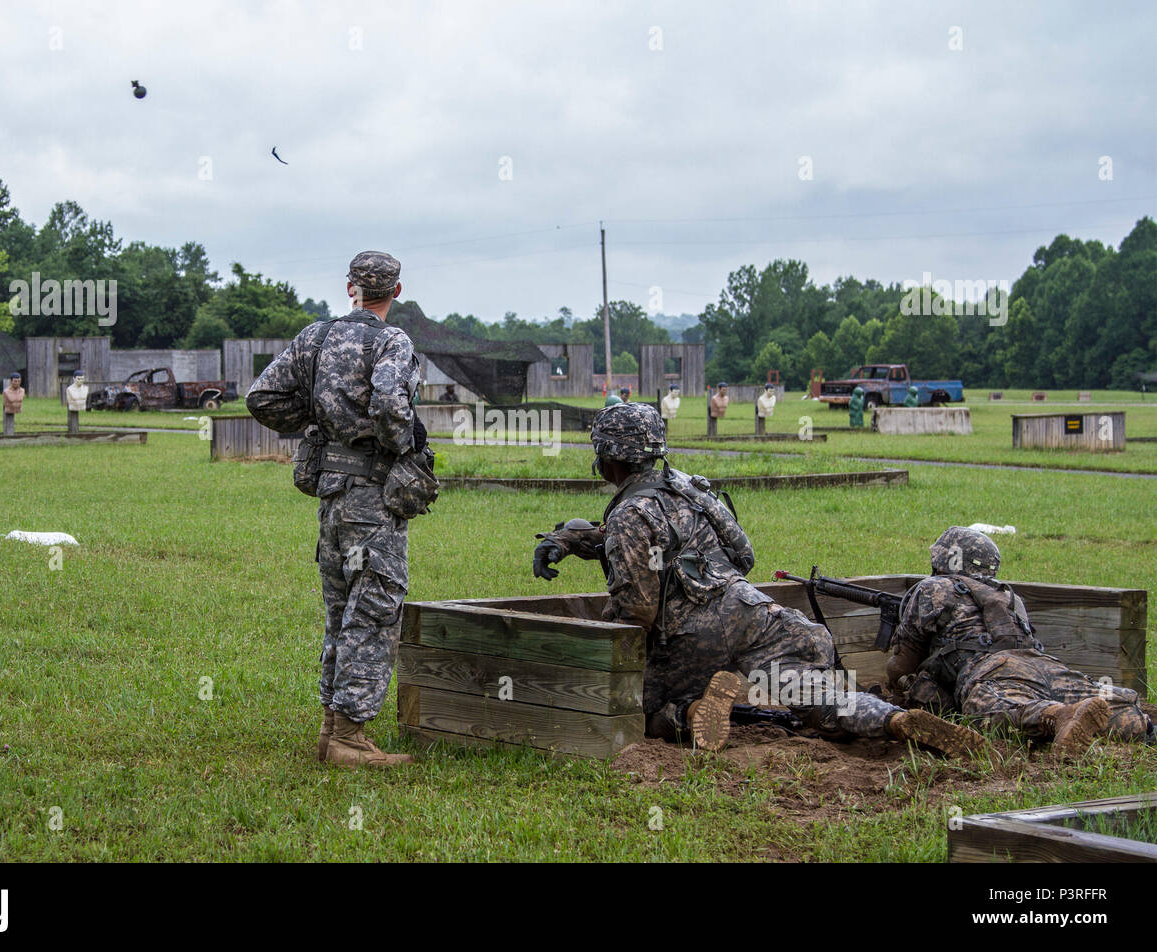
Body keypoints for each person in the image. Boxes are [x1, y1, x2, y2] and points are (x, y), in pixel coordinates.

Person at [532, 402, 985, 757]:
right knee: (814, 695)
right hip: (756, 613)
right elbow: (742, 555)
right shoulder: (693, 489)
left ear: (610, 457)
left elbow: (639, 614)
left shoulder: (631, 513)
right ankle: (892, 721)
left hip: (694, 640)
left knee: (626, 705)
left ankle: (691, 713)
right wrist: (574, 539)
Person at [246, 251, 423, 768]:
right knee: (374, 607)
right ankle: (349, 738)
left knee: (341, 608)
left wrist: (319, 424)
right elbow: (393, 408)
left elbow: (263, 398)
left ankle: (331, 731)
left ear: (350, 288)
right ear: (396, 290)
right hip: (373, 491)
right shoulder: (392, 341)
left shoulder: (316, 337)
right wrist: (401, 444)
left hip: (332, 494)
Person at [887, 527, 1154, 758]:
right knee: (1101, 697)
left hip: (992, 671)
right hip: (1040, 664)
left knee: (989, 708)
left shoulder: (932, 588)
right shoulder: (1007, 596)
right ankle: (1136, 721)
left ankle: (1057, 716)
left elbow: (901, 665)